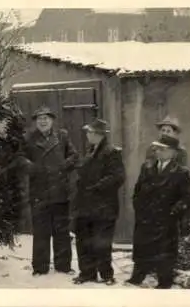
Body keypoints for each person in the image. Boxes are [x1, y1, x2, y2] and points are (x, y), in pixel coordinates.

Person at [126, 135, 190, 289]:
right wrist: (139, 208)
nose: (157, 151)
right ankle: (137, 277)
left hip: (166, 220)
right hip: (146, 218)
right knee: (143, 249)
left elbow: (188, 198)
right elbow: (137, 191)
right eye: (156, 148)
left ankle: (164, 282)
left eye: (162, 149)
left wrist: (174, 212)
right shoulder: (147, 167)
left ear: (172, 152)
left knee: (165, 253)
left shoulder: (180, 172)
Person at [20, 106, 78, 276]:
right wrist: (30, 167)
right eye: (39, 119)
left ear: (52, 120)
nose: (43, 121)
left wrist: (63, 166)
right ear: (35, 122)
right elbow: (18, 157)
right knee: (40, 232)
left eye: (46, 118)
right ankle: (40, 267)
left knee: (61, 231)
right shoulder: (28, 138)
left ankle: (63, 266)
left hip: (60, 191)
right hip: (39, 192)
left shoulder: (62, 136)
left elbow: (74, 156)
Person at [72, 118, 125, 286]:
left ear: (98, 134)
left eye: (89, 132)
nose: (87, 135)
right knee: (84, 240)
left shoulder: (111, 152)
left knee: (102, 242)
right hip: (86, 205)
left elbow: (117, 177)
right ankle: (87, 273)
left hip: (103, 206)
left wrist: (97, 187)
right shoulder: (90, 151)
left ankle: (106, 275)